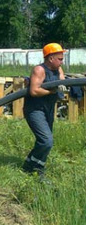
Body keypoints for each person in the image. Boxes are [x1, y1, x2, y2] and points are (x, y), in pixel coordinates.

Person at [22, 43, 67, 179]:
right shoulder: (39, 70)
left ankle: (29, 165)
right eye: (59, 58)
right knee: (46, 141)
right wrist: (53, 90)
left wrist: (62, 85)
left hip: (47, 109)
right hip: (34, 110)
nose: (61, 61)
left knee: (43, 141)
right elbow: (34, 91)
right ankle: (36, 169)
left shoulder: (58, 69)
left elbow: (62, 81)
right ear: (51, 58)